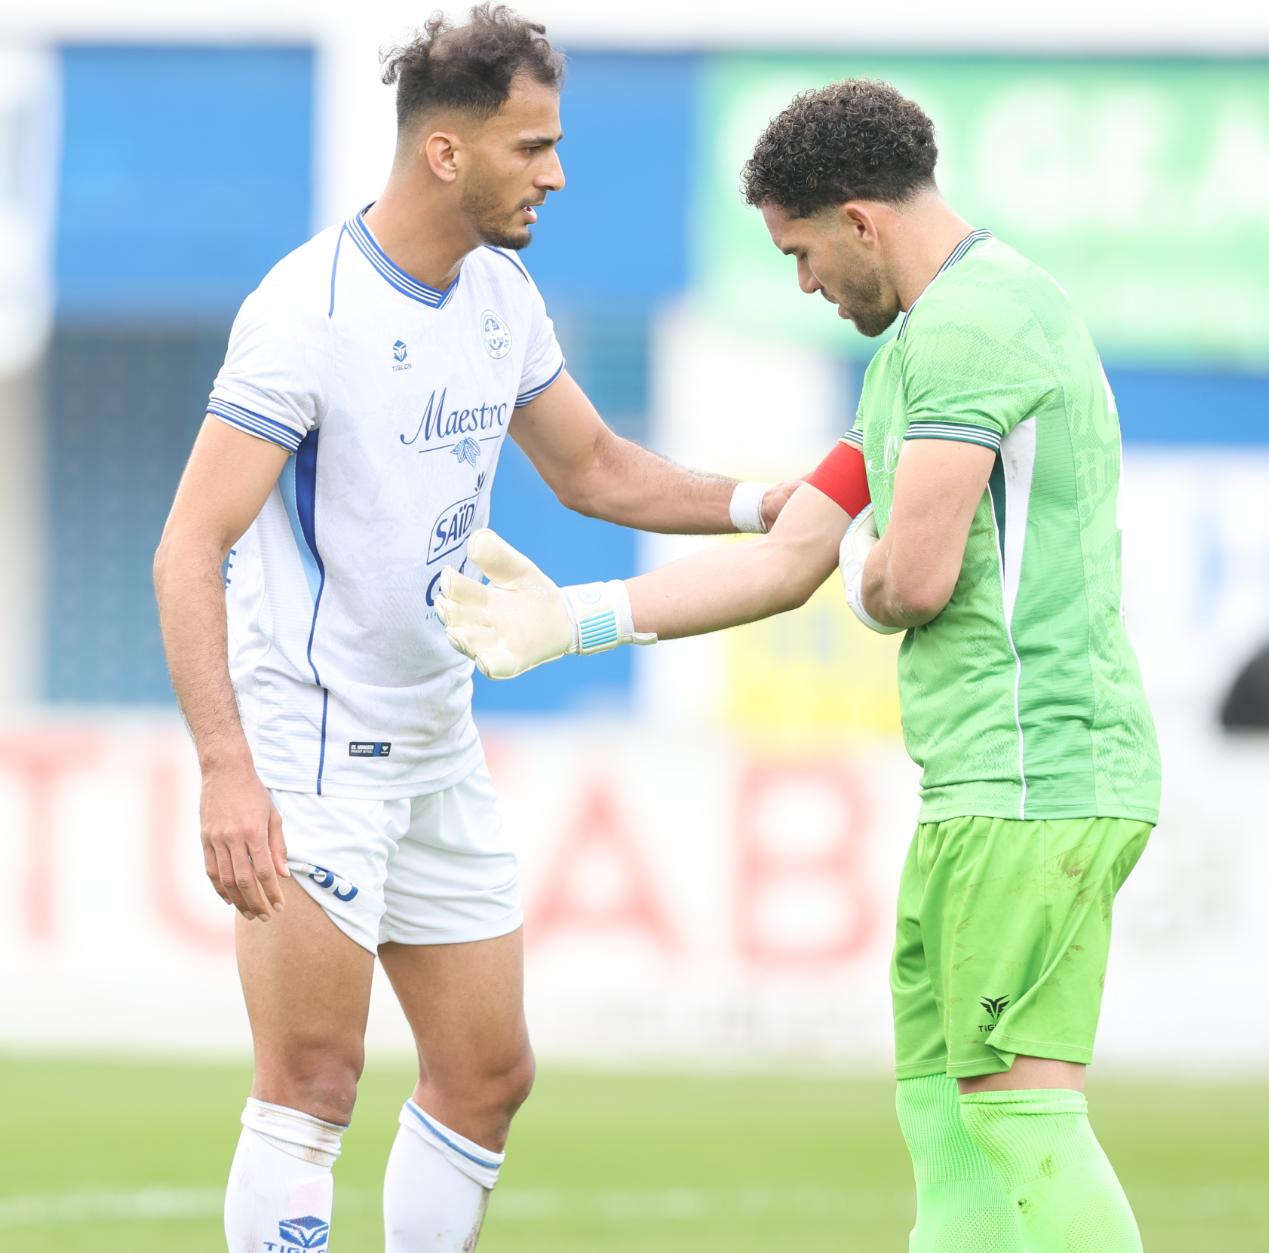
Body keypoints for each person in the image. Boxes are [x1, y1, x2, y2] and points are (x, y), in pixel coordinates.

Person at [437, 77, 1161, 1253]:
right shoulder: (914, 351)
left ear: (859, 222)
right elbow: (787, 558)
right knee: (946, 1117)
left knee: (1017, 1111)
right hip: (979, 782)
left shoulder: (976, 325)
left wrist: (869, 572)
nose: (804, 283)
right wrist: (572, 618)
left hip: (1037, 774)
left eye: (801, 251)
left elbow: (905, 579)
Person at [152, 7, 792, 1251]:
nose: (555, 174)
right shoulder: (305, 312)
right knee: (313, 1079)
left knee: (488, 1071)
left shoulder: (499, 291)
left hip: (437, 738)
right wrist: (227, 767)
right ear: (445, 152)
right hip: (314, 748)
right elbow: (188, 544)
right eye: (531, 146)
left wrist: (772, 504)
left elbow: (595, 469)